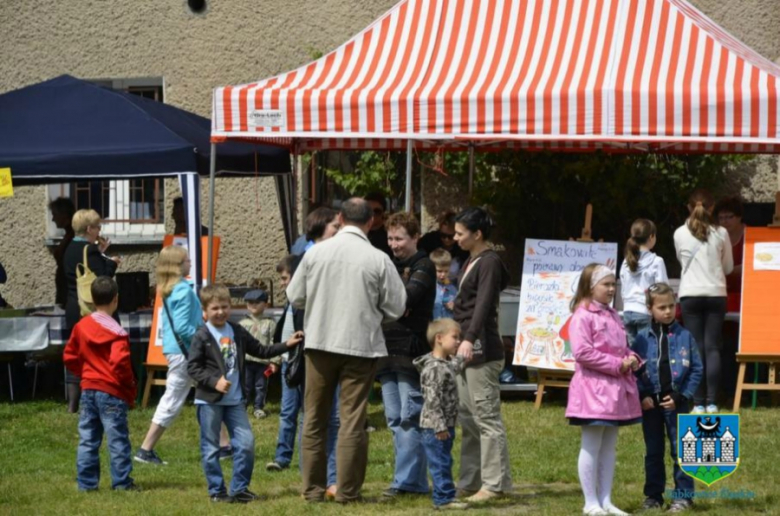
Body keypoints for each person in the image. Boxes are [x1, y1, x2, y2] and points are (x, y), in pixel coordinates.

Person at [287, 197, 407, 503]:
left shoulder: (315, 254)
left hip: (320, 343)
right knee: (352, 419)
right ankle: (347, 491)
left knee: (314, 418)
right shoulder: (378, 258)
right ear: (370, 222)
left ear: (340, 218)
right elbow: (396, 306)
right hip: (360, 345)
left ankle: (313, 490)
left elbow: (295, 296)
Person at [187, 284, 302, 503]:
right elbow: (193, 368)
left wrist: (287, 344)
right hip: (209, 401)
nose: (220, 312)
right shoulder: (202, 336)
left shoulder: (237, 331)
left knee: (246, 443)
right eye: (215, 308)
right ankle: (217, 491)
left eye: (224, 307)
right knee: (211, 448)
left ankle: (239, 488)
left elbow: (261, 351)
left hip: (234, 402)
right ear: (205, 312)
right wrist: (214, 382)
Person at [565, 263, 642, 516]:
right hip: (592, 390)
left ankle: (606, 500)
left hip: (614, 389)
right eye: (606, 285)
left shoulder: (612, 315)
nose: (611, 289)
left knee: (609, 446)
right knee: (591, 444)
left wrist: (632, 358)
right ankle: (590, 502)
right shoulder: (582, 316)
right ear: (590, 286)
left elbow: (619, 348)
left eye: (613, 285)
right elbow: (583, 353)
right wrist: (618, 365)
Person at [451, 207, 512, 502]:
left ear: (477, 234)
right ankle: (470, 481)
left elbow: (484, 304)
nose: (455, 238)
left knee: (486, 419)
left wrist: (470, 337)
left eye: (460, 233)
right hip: (467, 348)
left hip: (482, 350)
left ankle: (494, 484)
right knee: (469, 419)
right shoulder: (472, 260)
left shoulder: (489, 262)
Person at [379, 212, 437, 498]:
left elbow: (404, 301)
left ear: (415, 238)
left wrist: (393, 303)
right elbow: (385, 302)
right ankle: (406, 479)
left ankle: (409, 482)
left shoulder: (424, 265)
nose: (394, 244)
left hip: (411, 351)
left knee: (409, 416)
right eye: (390, 238)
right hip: (387, 350)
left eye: (399, 238)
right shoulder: (391, 265)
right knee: (392, 418)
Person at [632, 283, 703, 513]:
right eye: (661, 307)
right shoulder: (641, 339)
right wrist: (643, 395)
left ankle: (683, 497)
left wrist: (682, 396)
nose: (668, 311)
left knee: (680, 450)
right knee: (653, 451)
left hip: (677, 403)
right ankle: (653, 496)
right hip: (650, 404)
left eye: (671, 306)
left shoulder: (685, 336)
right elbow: (634, 372)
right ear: (650, 308)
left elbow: (696, 369)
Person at [63, 276, 138, 492]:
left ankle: (86, 484)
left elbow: (69, 357)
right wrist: (129, 384)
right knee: (117, 440)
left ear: (92, 299)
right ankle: (122, 482)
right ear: (116, 299)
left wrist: (83, 373)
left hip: (88, 389)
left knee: (88, 438)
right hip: (112, 391)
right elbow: (120, 364)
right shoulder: (117, 332)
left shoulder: (81, 326)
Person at [135, 246, 202, 465]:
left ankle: (223, 445)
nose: (190, 263)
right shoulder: (182, 290)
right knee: (173, 398)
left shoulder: (169, 289)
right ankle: (145, 448)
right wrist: (204, 338)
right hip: (186, 351)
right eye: (186, 261)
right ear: (177, 265)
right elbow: (183, 327)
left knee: (210, 390)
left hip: (177, 350)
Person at [674, 189, 733, 414]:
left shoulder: (679, 233)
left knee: (695, 347)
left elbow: (682, 261)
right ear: (712, 208)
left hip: (690, 293)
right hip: (716, 292)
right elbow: (727, 267)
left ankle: (697, 402)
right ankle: (712, 401)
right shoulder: (721, 233)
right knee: (712, 347)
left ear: (689, 208)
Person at [63, 209, 121, 413]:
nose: (99, 230)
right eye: (97, 226)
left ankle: (72, 404)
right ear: (89, 229)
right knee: (98, 356)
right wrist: (112, 263)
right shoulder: (90, 250)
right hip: (89, 310)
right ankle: (103, 398)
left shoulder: (69, 247)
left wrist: (101, 251)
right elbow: (102, 280)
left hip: (73, 307)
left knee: (76, 355)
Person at [413, 319, 469, 511]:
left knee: (444, 460)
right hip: (436, 427)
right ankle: (443, 499)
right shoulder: (434, 368)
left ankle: (445, 495)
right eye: (455, 337)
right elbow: (432, 399)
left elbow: (453, 368)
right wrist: (439, 426)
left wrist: (464, 357)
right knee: (440, 462)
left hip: (445, 425)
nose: (458, 341)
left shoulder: (443, 364)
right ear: (439, 338)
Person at [266, 255, 306, 472]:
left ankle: (304, 459)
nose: (282, 283)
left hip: (303, 363)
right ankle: (282, 457)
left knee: (306, 413)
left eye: (284, 278)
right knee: (287, 411)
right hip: (288, 363)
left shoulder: (303, 302)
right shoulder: (290, 302)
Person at [619, 219, 668, 346]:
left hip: (627, 311)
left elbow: (623, 290)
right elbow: (663, 289)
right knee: (647, 354)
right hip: (645, 311)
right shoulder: (657, 261)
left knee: (634, 355)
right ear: (652, 237)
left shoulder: (626, 262)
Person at [239, 289, 278, 419]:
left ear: (265, 305)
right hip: (246, 361)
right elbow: (238, 343)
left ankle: (258, 407)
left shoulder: (270, 323)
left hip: (263, 362)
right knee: (246, 385)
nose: (253, 305)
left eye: (257, 302)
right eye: (250, 302)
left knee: (261, 386)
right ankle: (242, 406)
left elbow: (274, 343)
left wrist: (274, 361)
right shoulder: (242, 323)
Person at [714, 196, 746, 313]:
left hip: (745, 291)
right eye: (721, 218)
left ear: (739, 217)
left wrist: (730, 270)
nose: (725, 221)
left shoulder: (751, 235)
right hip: (720, 292)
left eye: (729, 217)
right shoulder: (715, 236)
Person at [419, 210, 469, 282]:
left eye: (450, 236)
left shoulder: (462, 247)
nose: (446, 239)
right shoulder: (429, 241)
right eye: (443, 235)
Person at [49, 197, 76, 308]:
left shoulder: (73, 236)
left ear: (64, 215)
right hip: (65, 291)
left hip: (69, 293)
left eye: (54, 214)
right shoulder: (69, 234)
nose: (53, 219)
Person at [430, 248, 458, 320]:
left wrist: (454, 307)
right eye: (439, 271)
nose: (443, 275)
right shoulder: (429, 287)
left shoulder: (453, 289)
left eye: (446, 271)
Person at [364, 192, 393, 257]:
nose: (373, 214)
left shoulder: (390, 234)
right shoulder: (359, 232)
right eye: (369, 210)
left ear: (383, 212)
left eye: (377, 211)